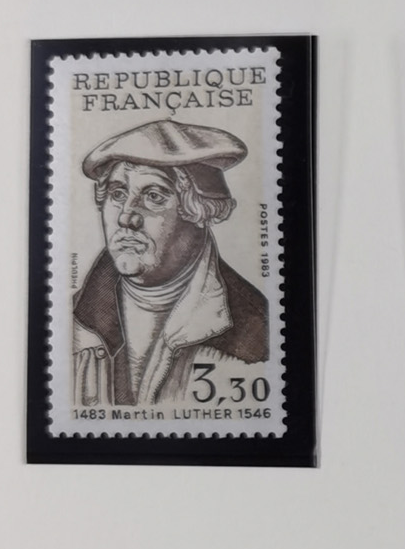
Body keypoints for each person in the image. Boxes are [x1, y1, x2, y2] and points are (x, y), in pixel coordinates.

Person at [71, 118, 269, 408]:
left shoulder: (255, 331)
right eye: (117, 194)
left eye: (153, 196)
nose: (126, 217)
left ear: (200, 211)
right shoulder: (71, 321)